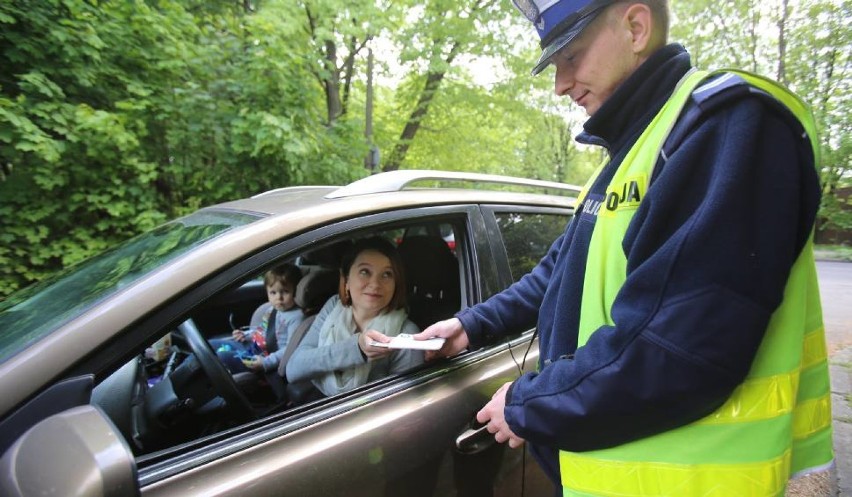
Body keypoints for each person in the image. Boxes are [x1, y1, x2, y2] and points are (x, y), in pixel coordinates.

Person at [414, 0, 833, 495]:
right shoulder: (632, 152)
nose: (560, 85)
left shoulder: (726, 125)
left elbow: (678, 349)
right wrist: (469, 326)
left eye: (571, 57)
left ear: (636, 27)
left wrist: (528, 403)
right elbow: (558, 274)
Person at [286, 237, 424, 397]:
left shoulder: (406, 333)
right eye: (365, 272)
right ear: (346, 281)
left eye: (387, 274)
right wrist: (356, 349)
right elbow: (294, 368)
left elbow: (402, 404)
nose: (375, 284)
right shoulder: (334, 306)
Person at [212, 263, 305, 374]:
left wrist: (266, 363)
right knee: (210, 345)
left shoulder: (297, 317)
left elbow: (290, 349)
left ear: (296, 291)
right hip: (252, 347)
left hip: (264, 357)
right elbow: (262, 331)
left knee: (221, 357)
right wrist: (246, 335)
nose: (278, 298)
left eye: (285, 291)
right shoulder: (273, 310)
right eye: (273, 292)